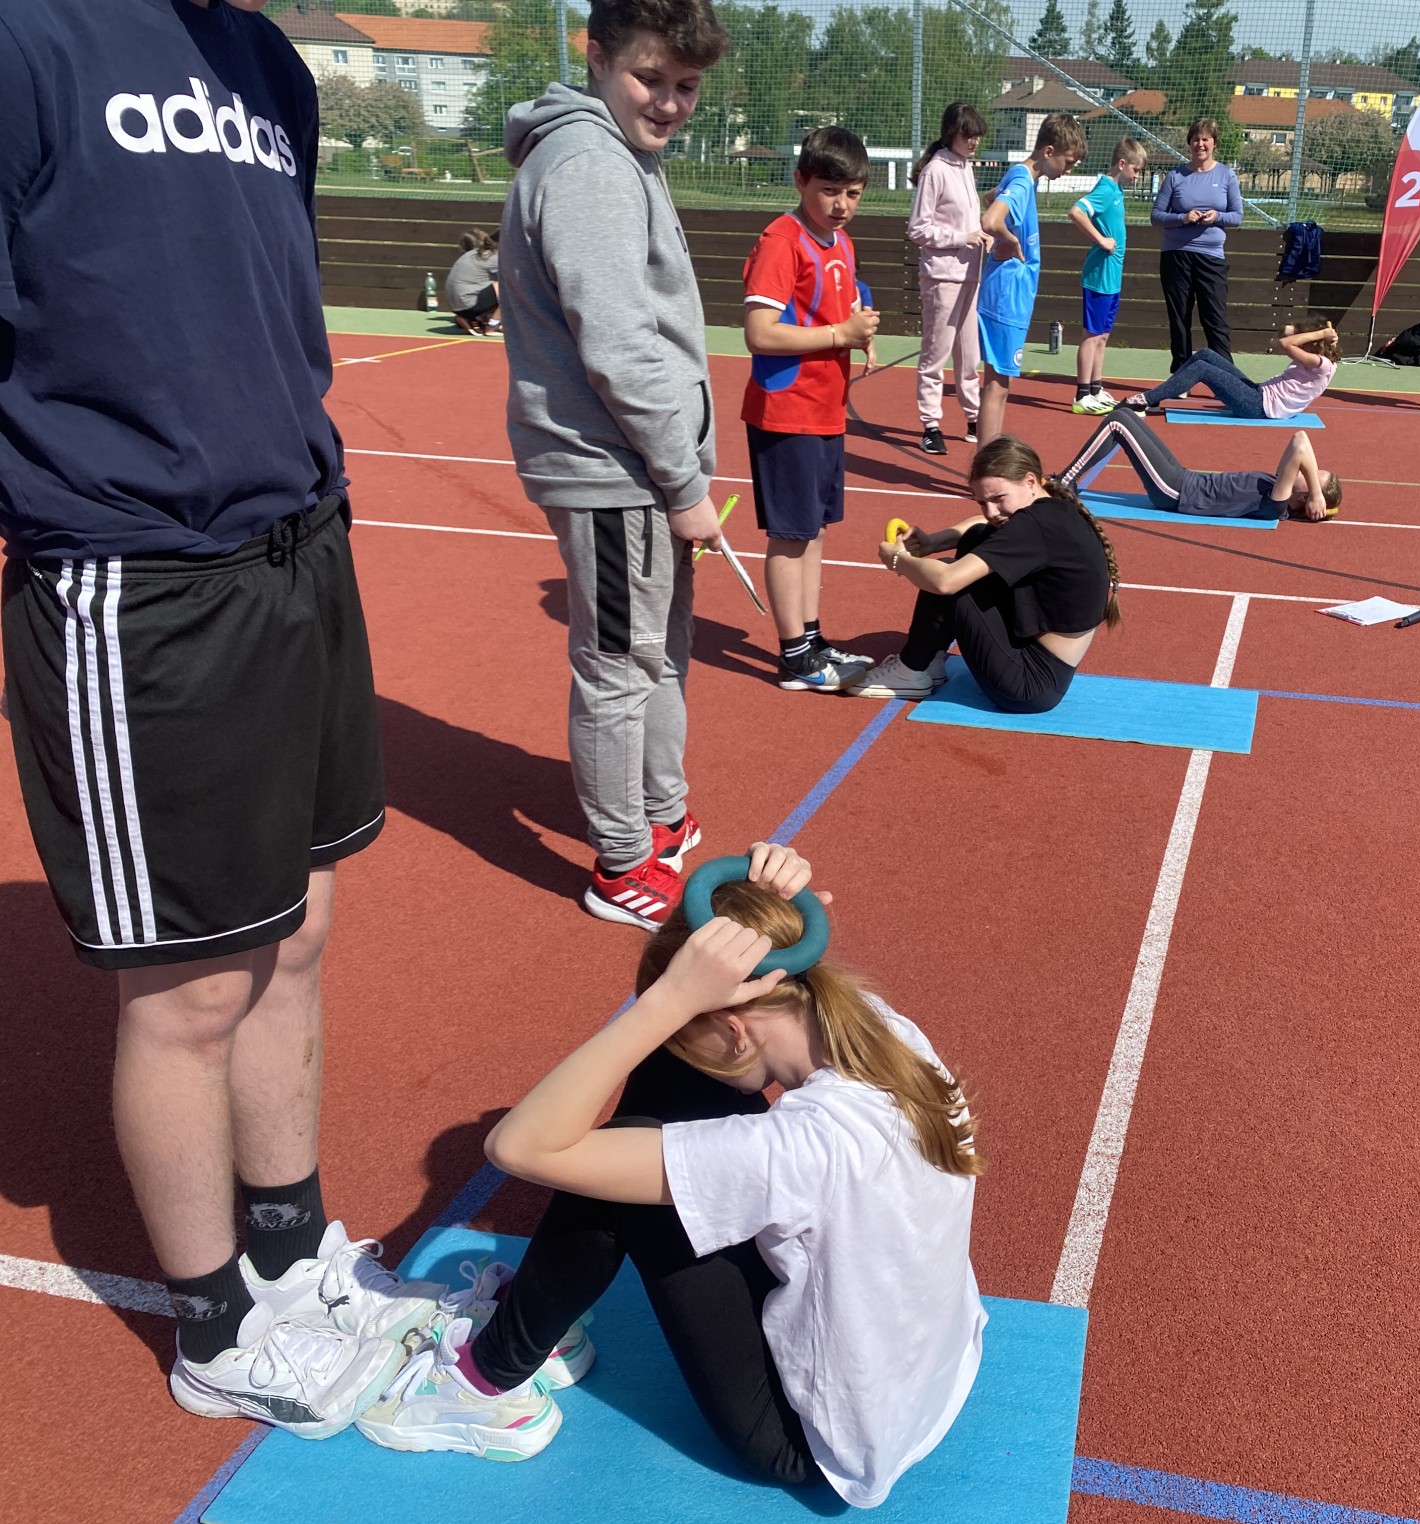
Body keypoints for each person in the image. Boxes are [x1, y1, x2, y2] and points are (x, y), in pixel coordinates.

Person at [0, 0, 444, 1434]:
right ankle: (213, 1328)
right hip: (138, 578)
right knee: (190, 990)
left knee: (294, 938)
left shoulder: (263, 64)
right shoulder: (30, 40)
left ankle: (289, 1256)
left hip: (299, 552)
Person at [356, 844, 987, 1513]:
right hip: (924, 1381)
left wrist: (667, 1004)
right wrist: (763, 901)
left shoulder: (798, 1149)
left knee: (613, 1168)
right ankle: (545, 1319)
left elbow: (518, 1147)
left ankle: (486, 1382)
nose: (681, 1038)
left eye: (692, 1027)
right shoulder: (888, 1032)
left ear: (735, 1029)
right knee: (665, 1085)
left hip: (809, 1442)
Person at [500, 0, 731, 930]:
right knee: (619, 666)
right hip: (611, 468)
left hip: (640, 466)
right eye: (650, 78)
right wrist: (684, 483)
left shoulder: (622, 154)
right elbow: (621, 348)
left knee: (658, 650)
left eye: (687, 85)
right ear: (595, 56)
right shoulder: (591, 163)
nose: (670, 102)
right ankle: (623, 862)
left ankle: (660, 811)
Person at [741, 126, 880, 693]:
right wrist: (839, 334)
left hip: (825, 410)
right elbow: (759, 333)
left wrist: (859, 330)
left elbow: (843, 304)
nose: (841, 204)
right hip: (786, 410)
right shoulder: (783, 241)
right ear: (801, 181)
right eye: (829, 191)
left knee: (815, 531)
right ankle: (794, 657)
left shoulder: (839, 241)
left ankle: (811, 639)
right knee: (790, 535)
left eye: (853, 193)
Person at [846, 436, 1120, 713]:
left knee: (954, 582)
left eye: (998, 498)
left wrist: (898, 560)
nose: (991, 512)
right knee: (977, 537)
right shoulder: (1051, 507)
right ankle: (929, 661)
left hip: (1029, 685)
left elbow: (945, 581)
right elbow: (977, 524)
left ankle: (910, 671)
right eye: (982, 502)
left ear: (1029, 481)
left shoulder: (1034, 526)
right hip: (1039, 669)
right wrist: (932, 542)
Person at [976, 113, 1087, 446]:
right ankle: (987, 463)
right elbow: (990, 219)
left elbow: (990, 197)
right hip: (1006, 293)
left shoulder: (1023, 178)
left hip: (1012, 292)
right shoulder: (1024, 181)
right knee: (997, 385)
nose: (1069, 170)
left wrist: (1006, 236)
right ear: (1049, 151)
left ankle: (988, 459)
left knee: (1001, 383)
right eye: (1068, 162)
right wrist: (1010, 242)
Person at [1059, 411, 1339, 521]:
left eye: (1312, 476)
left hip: (1175, 492)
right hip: (1183, 477)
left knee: (1118, 423)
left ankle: (1063, 482)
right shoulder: (1277, 486)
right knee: (1126, 415)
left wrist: (1317, 493)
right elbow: (1300, 448)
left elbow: (1300, 442)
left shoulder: (1276, 504)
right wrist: (1314, 491)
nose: (1307, 470)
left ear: (1303, 497)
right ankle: (1066, 480)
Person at [905, 101, 989, 456]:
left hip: (971, 274)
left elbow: (966, 220)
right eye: (968, 135)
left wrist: (982, 233)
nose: (974, 141)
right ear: (951, 133)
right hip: (942, 276)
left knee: (970, 355)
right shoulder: (935, 171)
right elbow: (917, 228)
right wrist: (961, 238)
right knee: (936, 353)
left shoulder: (966, 168)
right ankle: (931, 425)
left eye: (977, 136)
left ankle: (974, 419)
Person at [1150, 119, 1242, 373]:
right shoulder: (1175, 176)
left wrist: (1217, 216)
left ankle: (1226, 377)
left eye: (1205, 139)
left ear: (1214, 143)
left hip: (1211, 257)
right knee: (1179, 317)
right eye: (1195, 139)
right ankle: (1181, 373)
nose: (1200, 144)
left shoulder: (1226, 175)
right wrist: (1182, 218)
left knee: (1214, 318)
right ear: (1189, 143)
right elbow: (1156, 216)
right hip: (1176, 256)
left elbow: (1237, 216)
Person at [1068, 137, 1147, 415]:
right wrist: (1101, 240)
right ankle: (1082, 395)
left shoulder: (1117, 190)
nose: (1137, 176)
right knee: (1091, 335)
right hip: (1099, 276)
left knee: (1102, 336)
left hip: (1112, 278)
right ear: (1122, 164)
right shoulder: (1105, 189)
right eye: (1135, 170)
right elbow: (1076, 212)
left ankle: (1095, 388)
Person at [1122, 319, 1338, 419]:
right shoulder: (1321, 359)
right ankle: (1157, 397)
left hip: (1257, 407)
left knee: (1202, 369)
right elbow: (1287, 334)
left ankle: (1143, 400)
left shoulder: (1322, 365)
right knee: (1206, 354)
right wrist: (1321, 334)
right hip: (1257, 394)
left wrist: (1321, 334)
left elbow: (1285, 343)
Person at [445, 227, 501, 335]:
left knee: (497, 285)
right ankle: (492, 327)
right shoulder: (494, 258)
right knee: (509, 289)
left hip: (457, 305)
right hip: (469, 303)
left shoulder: (476, 253)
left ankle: (470, 318)